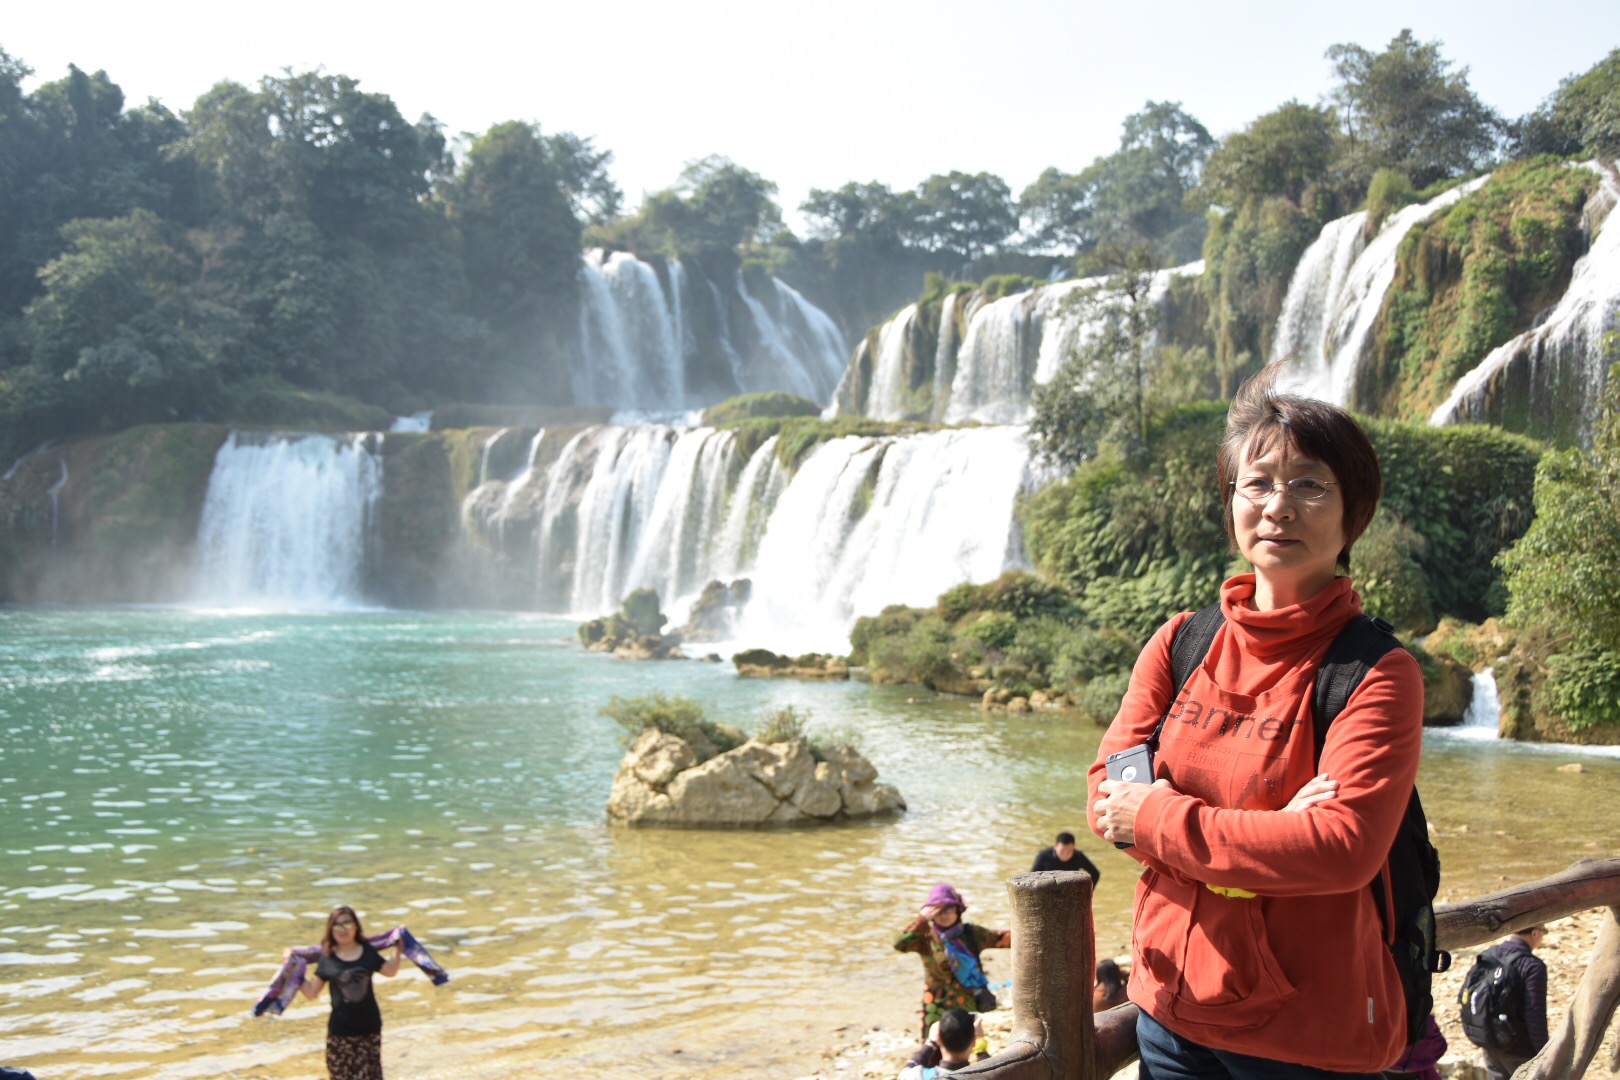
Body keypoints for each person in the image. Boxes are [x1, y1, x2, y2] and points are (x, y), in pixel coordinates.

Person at [1088, 361, 1425, 1078]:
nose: (1279, 505)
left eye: (1308, 484)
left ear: (1351, 512)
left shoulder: (1374, 673)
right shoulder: (1182, 642)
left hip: (1303, 1034)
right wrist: (1267, 831)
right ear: (1231, 501)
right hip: (1167, 1007)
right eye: (1258, 484)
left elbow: (1340, 848)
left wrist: (1159, 817)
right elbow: (1107, 794)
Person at [284, 905, 403, 1080]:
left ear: (356, 926)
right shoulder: (327, 957)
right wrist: (293, 968)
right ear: (331, 930)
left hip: (369, 1029)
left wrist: (398, 947)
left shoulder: (368, 952)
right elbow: (310, 992)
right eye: (337, 925)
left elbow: (391, 971)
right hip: (340, 1032)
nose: (343, 929)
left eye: (347, 923)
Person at [893, 883, 1011, 1038]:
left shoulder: (971, 934)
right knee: (933, 1047)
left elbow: (1004, 939)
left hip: (966, 1002)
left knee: (965, 1045)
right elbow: (900, 944)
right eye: (938, 910)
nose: (943, 914)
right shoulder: (926, 939)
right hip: (936, 1004)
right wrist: (921, 920)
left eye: (948, 908)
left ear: (958, 910)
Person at [1477, 926, 1550, 1080]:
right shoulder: (1532, 966)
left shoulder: (1489, 954)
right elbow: (1535, 1016)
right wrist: (1544, 1054)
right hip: (1519, 1049)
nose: (1543, 937)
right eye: (1544, 933)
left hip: (1490, 1042)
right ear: (1535, 933)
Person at [897, 1007, 982, 1077]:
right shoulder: (987, 1077)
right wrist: (981, 1043)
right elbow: (993, 1067)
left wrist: (931, 1043)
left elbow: (909, 1067)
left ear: (939, 1038)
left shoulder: (919, 1076)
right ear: (974, 1041)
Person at [1031, 830, 1101, 885]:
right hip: (1048, 889)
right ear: (1056, 846)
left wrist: (1088, 892)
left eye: (1069, 851)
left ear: (1074, 847)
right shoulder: (1044, 856)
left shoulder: (1078, 856)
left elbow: (1095, 874)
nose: (1065, 854)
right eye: (1062, 851)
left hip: (1070, 890)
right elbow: (1032, 878)